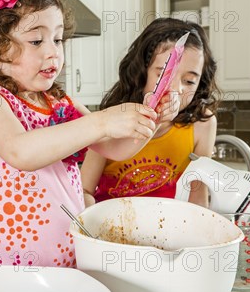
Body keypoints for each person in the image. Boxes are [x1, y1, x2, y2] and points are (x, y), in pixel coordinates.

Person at [0, 0, 179, 268]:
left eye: (57, 40)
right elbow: (21, 151)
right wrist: (101, 121)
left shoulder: (59, 104)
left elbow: (116, 148)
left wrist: (151, 119)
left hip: (64, 264)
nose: (53, 53)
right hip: (4, 271)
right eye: (36, 41)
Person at [81, 18, 221, 208]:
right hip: (112, 230)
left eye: (189, 81)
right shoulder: (113, 120)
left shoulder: (202, 125)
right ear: (142, 72)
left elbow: (197, 199)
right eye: (164, 74)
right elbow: (84, 190)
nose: (176, 88)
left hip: (170, 232)